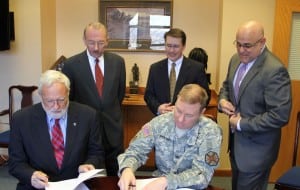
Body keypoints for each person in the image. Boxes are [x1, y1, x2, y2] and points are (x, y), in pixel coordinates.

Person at [218, 20, 292, 190]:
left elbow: (279, 116)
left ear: (262, 42)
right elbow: (227, 86)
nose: (241, 50)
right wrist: (223, 101)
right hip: (237, 147)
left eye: (247, 46)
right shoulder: (235, 60)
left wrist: (241, 124)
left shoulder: (274, 70)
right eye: (238, 44)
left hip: (257, 152)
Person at [8, 70, 105, 189]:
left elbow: (96, 153)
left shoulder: (88, 116)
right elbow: (15, 163)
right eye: (49, 101)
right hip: (36, 187)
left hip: (76, 185)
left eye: (61, 99)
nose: (56, 106)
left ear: (68, 93)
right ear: (41, 96)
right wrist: (31, 176)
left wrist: (89, 164)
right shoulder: (21, 120)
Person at [118, 84, 222, 190]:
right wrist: (127, 169)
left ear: (202, 112)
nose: (181, 119)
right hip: (157, 185)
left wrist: (167, 181)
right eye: (178, 111)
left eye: (189, 115)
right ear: (176, 102)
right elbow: (135, 150)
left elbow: (203, 175)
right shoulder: (157, 123)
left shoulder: (211, 131)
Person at [62, 22, 126, 176]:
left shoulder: (118, 62)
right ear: (84, 40)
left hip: (113, 128)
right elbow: (69, 100)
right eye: (91, 42)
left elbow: (119, 94)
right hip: (85, 129)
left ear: (107, 41)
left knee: (114, 173)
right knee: (89, 175)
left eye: (101, 43)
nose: (96, 48)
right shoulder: (71, 65)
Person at [144, 28, 211, 115]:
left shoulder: (196, 69)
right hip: (162, 120)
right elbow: (148, 95)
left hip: (188, 121)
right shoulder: (155, 68)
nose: (171, 50)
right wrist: (158, 108)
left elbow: (205, 97)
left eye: (175, 46)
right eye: (168, 46)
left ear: (183, 46)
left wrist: (187, 110)